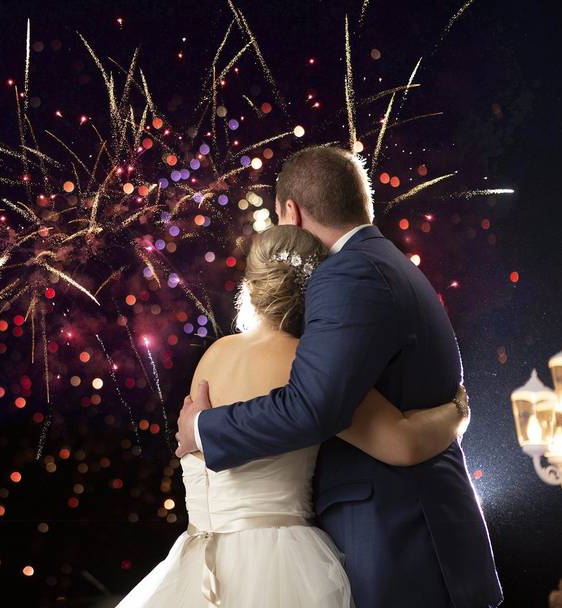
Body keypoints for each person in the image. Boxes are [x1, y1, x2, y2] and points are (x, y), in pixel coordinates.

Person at [174, 145, 502, 607]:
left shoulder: (347, 274)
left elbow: (314, 405)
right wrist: (455, 417)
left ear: (290, 211)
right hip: (405, 540)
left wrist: (202, 427)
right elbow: (390, 433)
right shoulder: (389, 264)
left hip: (396, 544)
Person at [118, 224, 469, 607]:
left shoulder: (213, 355)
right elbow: (404, 443)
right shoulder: (310, 366)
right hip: (282, 563)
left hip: (196, 562)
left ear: (249, 287)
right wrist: (457, 412)